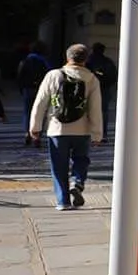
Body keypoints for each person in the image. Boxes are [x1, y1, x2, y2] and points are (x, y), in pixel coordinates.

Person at [28, 44, 102, 211]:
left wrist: (35, 126)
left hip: (57, 129)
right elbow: (95, 109)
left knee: (58, 165)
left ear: (68, 57)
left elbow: (40, 102)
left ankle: (63, 202)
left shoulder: (53, 75)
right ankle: (77, 183)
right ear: (86, 59)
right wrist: (97, 134)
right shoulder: (91, 79)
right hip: (82, 130)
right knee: (81, 159)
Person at [17, 41, 50, 146]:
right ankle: (37, 136)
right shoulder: (44, 61)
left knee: (28, 112)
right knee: (40, 112)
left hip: (28, 89)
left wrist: (21, 88)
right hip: (41, 89)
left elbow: (20, 75)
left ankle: (27, 133)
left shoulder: (25, 61)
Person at [85, 43, 118, 141]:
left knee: (88, 111)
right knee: (104, 112)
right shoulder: (108, 61)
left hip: (89, 89)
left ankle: (89, 133)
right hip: (104, 89)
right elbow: (114, 76)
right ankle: (103, 134)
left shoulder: (88, 61)